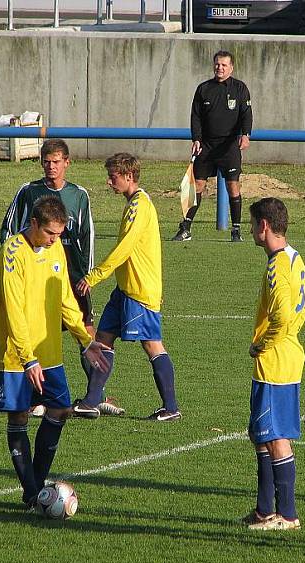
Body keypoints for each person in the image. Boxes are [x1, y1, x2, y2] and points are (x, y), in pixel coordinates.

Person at [0, 196, 109, 508]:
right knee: (19, 417)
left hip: (50, 352)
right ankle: (31, 492)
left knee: (60, 410)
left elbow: (65, 298)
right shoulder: (11, 253)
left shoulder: (56, 248)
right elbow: (14, 310)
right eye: (51, 233)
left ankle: (37, 488)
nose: (56, 239)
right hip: (14, 355)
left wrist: (85, 339)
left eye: (59, 233)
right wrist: (28, 358)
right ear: (34, 224)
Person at [0, 138, 124, 417]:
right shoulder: (28, 192)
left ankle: (95, 396)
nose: (51, 167)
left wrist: (88, 276)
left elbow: (87, 236)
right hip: (38, 278)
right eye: (46, 161)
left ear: (67, 163)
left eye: (56, 162)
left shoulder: (79, 195)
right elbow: (9, 229)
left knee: (86, 333)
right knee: (39, 333)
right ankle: (35, 398)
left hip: (74, 278)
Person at [75, 153, 181, 421]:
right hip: (124, 289)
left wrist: (93, 276)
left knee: (152, 345)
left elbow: (125, 249)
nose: (109, 182)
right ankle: (91, 401)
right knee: (103, 339)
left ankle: (171, 408)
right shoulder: (133, 203)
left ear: (129, 176)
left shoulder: (139, 206)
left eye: (113, 177)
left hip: (138, 290)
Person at [243, 197, 305, 531]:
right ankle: (263, 509)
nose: (252, 229)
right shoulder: (295, 258)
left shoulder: (276, 266)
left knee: (275, 437)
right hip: (287, 358)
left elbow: (283, 314)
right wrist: (289, 335)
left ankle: (287, 514)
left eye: (253, 223)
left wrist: (264, 343)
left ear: (264, 226)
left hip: (275, 363)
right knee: (260, 434)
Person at [172, 50, 252, 243]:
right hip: (206, 145)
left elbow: (246, 114)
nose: (220, 68)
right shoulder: (203, 89)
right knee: (197, 185)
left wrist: (246, 134)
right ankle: (186, 228)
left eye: (224, 65)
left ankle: (236, 230)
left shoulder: (240, 89)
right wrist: (196, 138)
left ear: (231, 68)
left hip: (229, 145)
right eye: (217, 64)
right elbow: (196, 116)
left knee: (232, 185)